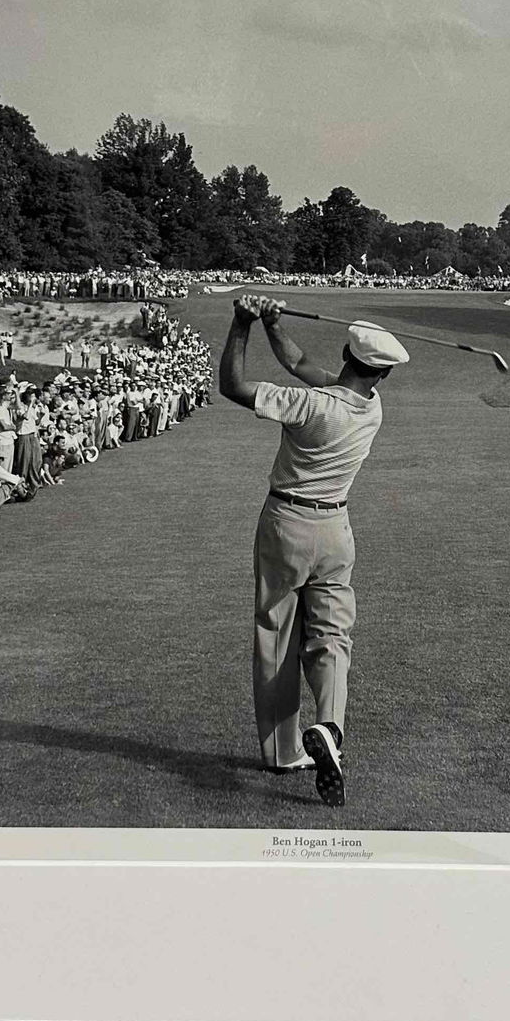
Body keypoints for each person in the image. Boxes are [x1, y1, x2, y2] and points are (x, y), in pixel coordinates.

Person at [218, 293, 408, 808]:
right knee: (331, 636)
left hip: (287, 524)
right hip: (336, 530)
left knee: (278, 636)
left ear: (346, 355)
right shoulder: (372, 408)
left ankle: (284, 752)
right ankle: (330, 727)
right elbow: (300, 362)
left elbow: (233, 386)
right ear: (382, 373)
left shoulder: (310, 405)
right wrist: (274, 324)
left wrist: (243, 324)